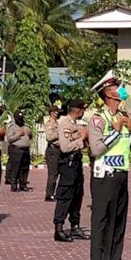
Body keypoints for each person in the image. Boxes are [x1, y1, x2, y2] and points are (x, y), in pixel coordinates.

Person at [88, 70, 131, 260]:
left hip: (121, 176)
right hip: (104, 177)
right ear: (108, 93)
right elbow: (96, 149)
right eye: (117, 87)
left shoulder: (123, 117)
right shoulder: (99, 119)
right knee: (102, 222)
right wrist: (115, 132)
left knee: (118, 223)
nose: (121, 90)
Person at [53, 99, 90, 242]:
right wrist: (81, 140)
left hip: (76, 163)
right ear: (77, 110)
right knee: (65, 196)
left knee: (77, 195)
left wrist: (84, 140)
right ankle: (59, 228)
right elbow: (65, 147)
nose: (83, 112)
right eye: (82, 110)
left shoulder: (75, 124)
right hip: (67, 164)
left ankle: (75, 226)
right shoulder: (65, 124)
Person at [6, 109, 32, 192]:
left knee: (25, 168)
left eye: (21, 118)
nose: (20, 120)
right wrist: (18, 135)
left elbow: (30, 136)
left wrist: (29, 133)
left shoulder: (25, 125)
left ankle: (23, 184)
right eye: (19, 119)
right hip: (16, 149)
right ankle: (14, 185)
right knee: (15, 168)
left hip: (25, 150)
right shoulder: (12, 126)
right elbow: (9, 138)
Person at [43, 105, 61, 201]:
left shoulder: (57, 123)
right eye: (55, 111)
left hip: (59, 150)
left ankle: (56, 193)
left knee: (59, 172)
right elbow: (49, 137)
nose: (57, 113)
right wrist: (59, 132)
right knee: (53, 174)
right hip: (52, 150)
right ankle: (49, 195)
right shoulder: (49, 124)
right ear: (51, 113)